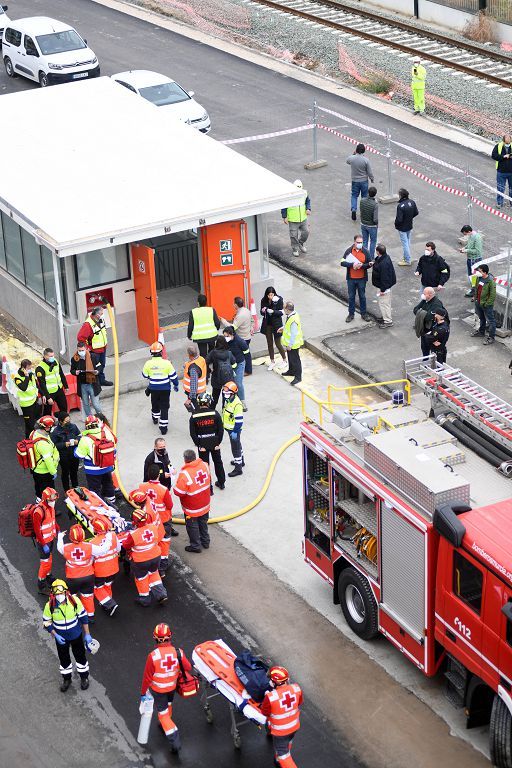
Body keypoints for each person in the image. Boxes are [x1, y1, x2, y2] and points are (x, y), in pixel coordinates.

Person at [140, 624, 193, 754]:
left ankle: (174, 740)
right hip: (172, 687)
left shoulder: (153, 656)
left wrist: (143, 693)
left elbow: (147, 677)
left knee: (163, 715)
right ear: (170, 637)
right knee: (169, 705)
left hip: (158, 690)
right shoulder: (178, 652)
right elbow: (188, 668)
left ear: (155, 638)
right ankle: (165, 723)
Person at [42, 578, 94, 692]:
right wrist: (55, 635)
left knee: (80, 657)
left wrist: (87, 634)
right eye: (57, 594)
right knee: (64, 659)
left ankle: (84, 678)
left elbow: (83, 617)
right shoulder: (49, 605)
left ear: (66, 591)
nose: (59, 596)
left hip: (76, 635)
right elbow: (46, 622)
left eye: (61, 593)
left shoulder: (74, 601)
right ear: (53, 594)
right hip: (61, 638)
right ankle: (67, 679)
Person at [57, 524, 110, 623]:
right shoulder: (89, 546)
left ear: (71, 537)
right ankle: (90, 616)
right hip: (88, 577)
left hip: (72, 578)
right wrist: (109, 538)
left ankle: (73, 614)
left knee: (72, 596)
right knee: (88, 596)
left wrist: (60, 537)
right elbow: (103, 550)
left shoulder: (66, 547)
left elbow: (59, 547)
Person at [123, 505, 167, 606]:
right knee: (154, 573)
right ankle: (161, 594)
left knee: (141, 578)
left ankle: (145, 599)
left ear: (135, 521)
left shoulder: (134, 534)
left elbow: (126, 545)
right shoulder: (153, 527)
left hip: (141, 561)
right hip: (156, 557)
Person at [260, 666, 303, 768]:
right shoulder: (296, 688)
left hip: (281, 732)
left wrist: (267, 699)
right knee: (287, 743)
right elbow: (299, 702)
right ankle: (277, 759)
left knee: (284, 756)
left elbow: (265, 712)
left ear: (274, 682)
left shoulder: (270, 697)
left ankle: (280, 759)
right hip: (294, 727)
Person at [139, 464, 176, 570]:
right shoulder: (164, 490)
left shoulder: (142, 487)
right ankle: (162, 566)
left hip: (148, 519)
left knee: (151, 540)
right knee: (164, 541)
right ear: (158, 476)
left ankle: (151, 563)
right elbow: (170, 505)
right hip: (163, 520)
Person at [173, 449, 211, 553]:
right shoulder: (204, 465)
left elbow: (178, 492)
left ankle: (195, 546)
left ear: (185, 460)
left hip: (192, 507)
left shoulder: (185, 474)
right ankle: (205, 541)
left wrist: (175, 484)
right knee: (203, 523)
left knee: (192, 526)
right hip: (205, 503)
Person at [74, 414, 117, 506]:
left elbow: (79, 455)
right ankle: (112, 502)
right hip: (107, 466)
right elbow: (114, 446)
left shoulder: (85, 439)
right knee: (108, 485)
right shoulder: (107, 433)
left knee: (95, 489)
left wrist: (75, 449)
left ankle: (99, 506)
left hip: (93, 471)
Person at [189, 392, 225, 491]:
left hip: (202, 443)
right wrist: (218, 442)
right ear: (208, 402)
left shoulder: (194, 417)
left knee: (205, 466)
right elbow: (221, 430)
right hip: (214, 442)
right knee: (218, 462)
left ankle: (209, 488)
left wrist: (199, 444)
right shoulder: (215, 414)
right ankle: (221, 483)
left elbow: (192, 433)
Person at [142, 341, 179, 435]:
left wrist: (152, 376)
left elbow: (145, 375)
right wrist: (176, 384)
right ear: (161, 352)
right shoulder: (167, 363)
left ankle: (155, 418)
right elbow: (173, 376)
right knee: (164, 407)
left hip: (153, 388)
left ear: (151, 353)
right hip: (165, 389)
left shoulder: (148, 363)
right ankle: (163, 428)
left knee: (155, 404)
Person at [91, 517, 120, 617]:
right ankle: (107, 601)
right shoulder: (113, 535)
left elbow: (91, 560)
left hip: (100, 571)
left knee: (97, 587)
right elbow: (118, 548)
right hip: (114, 567)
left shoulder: (92, 543)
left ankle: (110, 604)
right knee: (107, 585)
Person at [77, 305, 113, 386]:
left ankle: (101, 380)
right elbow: (80, 337)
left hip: (102, 348)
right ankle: (95, 383)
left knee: (102, 365)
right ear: (97, 315)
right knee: (94, 367)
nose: (103, 314)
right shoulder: (88, 324)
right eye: (102, 313)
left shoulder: (100, 319)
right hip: (94, 351)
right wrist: (88, 348)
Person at [33, 487, 59, 594]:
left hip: (50, 539)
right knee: (44, 563)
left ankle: (48, 576)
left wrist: (57, 528)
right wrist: (43, 544)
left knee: (49, 559)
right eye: (52, 498)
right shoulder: (38, 512)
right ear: (46, 499)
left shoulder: (50, 507)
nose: (54, 500)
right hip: (44, 542)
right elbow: (37, 530)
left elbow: (52, 520)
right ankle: (41, 584)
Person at [340, 234, 372, 323]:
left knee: (362, 297)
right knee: (351, 297)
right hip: (351, 279)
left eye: (361, 242)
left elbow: (369, 264)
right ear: (354, 242)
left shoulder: (366, 251)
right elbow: (342, 262)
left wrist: (362, 266)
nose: (360, 244)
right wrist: (352, 265)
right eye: (358, 242)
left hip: (362, 279)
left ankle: (364, 314)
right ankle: (351, 314)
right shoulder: (349, 251)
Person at [222, 297, 254, 375]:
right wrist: (251, 328)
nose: (233, 305)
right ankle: (247, 369)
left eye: (234, 303)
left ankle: (247, 370)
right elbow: (252, 320)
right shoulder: (246, 310)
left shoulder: (240, 315)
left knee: (244, 354)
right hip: (247, 336)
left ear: (236, 305)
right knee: (246, 353)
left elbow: (233, 328)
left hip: (243, 338)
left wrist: (224, 322)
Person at [30, 415, 60, 500]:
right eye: (51, 427)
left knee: (39, 489)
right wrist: (53, 472)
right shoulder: (43, 444)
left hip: (36, 469)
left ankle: (39, 502)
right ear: (47, 428)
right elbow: (48, 461)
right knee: (49, 492)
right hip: (45, 472)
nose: (52, 429)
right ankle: (48, 509)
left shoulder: (35, 433)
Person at [70, 341, 102, 417]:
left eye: (82, 350)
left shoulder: (93, 356)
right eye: (79, 350)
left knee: (95, 404)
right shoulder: (75, 359)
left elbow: (99, 366)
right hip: (82, 385)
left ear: (86, 349)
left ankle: (101, 418)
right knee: (86, 404)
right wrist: (75, 372)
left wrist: (97, 371)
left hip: (92, 384)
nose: (81, 352)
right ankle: (90, 419)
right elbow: (72, 370)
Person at [51, 411, 81, 492]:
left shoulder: (73, 427)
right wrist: (64, 444)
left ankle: (76, 488)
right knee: (65, 473)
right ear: (60, 421)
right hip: (64, 456)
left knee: (74, 472)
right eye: (66, 421)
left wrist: (77, 440)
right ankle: (66, 490)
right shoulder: (55, 432)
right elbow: (53, 446)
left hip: (74, 454)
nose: (68, 423)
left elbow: (79, 435)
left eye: (69, 421)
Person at [413, 286, 446, 358]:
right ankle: (426, 362)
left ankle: (435, 364)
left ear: (430, 295)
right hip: (424, 330)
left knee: (434, 350)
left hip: (433, 331)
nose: (422, 295)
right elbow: (415, 309)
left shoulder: (437, 304)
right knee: (424, 348)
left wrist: (421, 312)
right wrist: (422, 313)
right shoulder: (425, 300)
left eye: (424, 293)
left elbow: (428, 317)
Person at [281, 179, 311, 257]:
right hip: (293, 220)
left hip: (303, 218)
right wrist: (284, 217)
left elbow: (308, 201)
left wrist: (308, 209)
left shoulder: (304, 193)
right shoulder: (289, 196)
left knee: (306, 232)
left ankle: (300, 243)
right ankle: (295, 249)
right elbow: (284, 206)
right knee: (293, 235)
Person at [260, 286, 287, 371]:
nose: (270, 297)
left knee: (278, 343)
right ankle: (272, 361)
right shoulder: (263, 300)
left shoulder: (279, 300)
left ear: (274, 294)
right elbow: (261, 312)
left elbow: (281, 312)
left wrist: (273, 311)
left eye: (272, 295)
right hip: (267, 324)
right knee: (269, 343)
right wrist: (263, 310)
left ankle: (285, 360)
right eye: (269, 295)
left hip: (277, 324)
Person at [206, 336, 237, 409]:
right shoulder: (229, 353)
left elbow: (205, 362)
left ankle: (211, 412)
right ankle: (225, 411)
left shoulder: (213, 353)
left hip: (216, 378)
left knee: (214, 398)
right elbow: (234, 364)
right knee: (227, 397)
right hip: (228, 379)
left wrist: (209, 371)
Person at [35, 347, 68, 415]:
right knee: (47, 412)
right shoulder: (40, 368)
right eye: (50, 356)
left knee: (64, 408)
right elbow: (42, 384)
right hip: (49, 392)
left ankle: (63, 422)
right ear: (45, 356)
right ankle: (47, 424)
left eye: (53, 355)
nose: (52, 357)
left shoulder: (55, 361)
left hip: (59, 389)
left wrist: (66, 386)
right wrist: (48, 397)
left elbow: (61, 374)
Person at [223, 325, 249, 410]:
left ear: (232, 334)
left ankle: (242, 402)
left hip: (239, 364)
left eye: (227, 336)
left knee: (238, 383)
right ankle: (232, 402)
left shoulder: (240, 342)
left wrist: (248, 368)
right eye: (224, 336)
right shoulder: (225, 342)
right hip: (229, 365)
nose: (225, 338)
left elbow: (247, 353)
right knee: (230, 384)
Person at [187, 294, 221, 359]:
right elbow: (217, 322)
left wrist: (189, 335)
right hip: (212, 335)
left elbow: (190, 326)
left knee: (203, 354)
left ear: (198, 303)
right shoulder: (211, 310)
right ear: (206, 302)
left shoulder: (193, 312)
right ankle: (213, 364)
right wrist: (216, 329)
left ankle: (206, 367)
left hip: (200, 337)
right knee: (212, 351)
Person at [346, 143, 374, 221]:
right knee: (364, 197)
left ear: (356, 150)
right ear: (364, 151)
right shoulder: (366, 160)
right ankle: (363, 212)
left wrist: (353, 154)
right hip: (364, 181)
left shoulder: (352, 158)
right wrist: (372, 178)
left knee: (354, 195)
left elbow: (347, 161)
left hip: (355, 180)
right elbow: (369, 172)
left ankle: (354, 209)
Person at [222, 382, 244, 478]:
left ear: (233, 393)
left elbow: (239, 421)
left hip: (234, 430)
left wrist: (235, 431)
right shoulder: (229, 400)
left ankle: (238, 468)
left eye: (227, 393)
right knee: (238, 445)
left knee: (235, 448)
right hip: (230, 429)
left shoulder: (237, 404)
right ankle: (241, 461)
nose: (225, 394)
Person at [371, 244, 396, 329]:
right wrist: (373, 263)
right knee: (384, 303)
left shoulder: (384, 263)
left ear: (378, 252)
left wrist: (382, 290)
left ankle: (388, 321)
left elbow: (385, 278)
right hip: (384, 286)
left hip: (383, 287)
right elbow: (377, 260)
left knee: (384, 303)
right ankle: (385, 317)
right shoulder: (384, 257)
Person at [471, 263, 496, 345]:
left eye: (480, 271)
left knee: (491, 321)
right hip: (478, 302)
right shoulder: (479, 278)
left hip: (486, 305)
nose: (478, 272)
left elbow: (492, 295)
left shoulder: (490, 282)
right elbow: (476, 289)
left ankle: (491, 337)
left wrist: (487, 304)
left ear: (485, 272)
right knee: (482, 318)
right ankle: (481, 332)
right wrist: (475, 298)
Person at [14, 358, 40, 437]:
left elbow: (36, 386)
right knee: (29, 425)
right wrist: (26, 376)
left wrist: (42, 395)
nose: (30, 370)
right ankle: (28, 440)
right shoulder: (17, 378)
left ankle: (32, 438)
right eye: (28, 368)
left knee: (34, 422)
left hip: (34, 401)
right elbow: (24, 388)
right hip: (26, 405)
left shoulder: (31, 374)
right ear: (23, 368)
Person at [280, 301, 303, 385]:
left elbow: (293, 333)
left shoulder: (293, 319)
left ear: (287, 309)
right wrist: (283, 328)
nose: (283, 310)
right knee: (290, 358)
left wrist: (290, 345)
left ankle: (298, 377)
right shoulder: (292, 315)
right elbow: (288, 326)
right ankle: (291, 371)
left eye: (284, 308)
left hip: (293, 344)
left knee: (295, 360)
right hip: (290, 343)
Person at [394, 189, 419, 267]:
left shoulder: (400, 206)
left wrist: (396, 224)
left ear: (401, 195)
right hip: (409, 225)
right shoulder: (412, 202)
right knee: (407, 242)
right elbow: (416, 212)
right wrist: (409, 218)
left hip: (402, 228)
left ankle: (407, 260)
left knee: (405, 244)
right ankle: (406, 257)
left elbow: (399, 219)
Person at [460, 225, 484, 297]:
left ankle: (476, 291)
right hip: (470, 259)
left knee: (475, 276)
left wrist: (466, 250)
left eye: (465, 234)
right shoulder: (471, 236)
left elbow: (477, 251)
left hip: (475, 260)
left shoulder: (477, 238)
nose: (465, 235)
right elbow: (469, 245)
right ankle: (474, 289)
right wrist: (464, 248)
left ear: (469, 231)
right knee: (471, 276)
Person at [182, 344, 207, 412]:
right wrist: (187, 364)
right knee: (202, 409)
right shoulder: (201, 359)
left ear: (189, 355)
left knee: (196, 411)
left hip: (195, 394)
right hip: (202, 390)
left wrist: (190, 398)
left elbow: (194, 384)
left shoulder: (193, 369)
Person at [492, 134, 512, 207]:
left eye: (509, 139)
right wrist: (503, 156)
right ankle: (499, 202)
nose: (508, 140)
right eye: (507, 139)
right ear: (504, 140)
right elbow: (493, 155)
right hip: (501, 172)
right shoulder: (498, 146)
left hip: (511, 172)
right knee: (500, 188)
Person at [360, 186, 378, 260]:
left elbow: (361, 211)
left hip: (363, 224)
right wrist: (376, 224)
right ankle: (371, 257)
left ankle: (364, 256)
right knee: (373, 241)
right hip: (372, 226)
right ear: (375, 194)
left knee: (365, 241)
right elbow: (375, 218)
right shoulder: (375, 204)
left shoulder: (362, 200)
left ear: (368, 192)